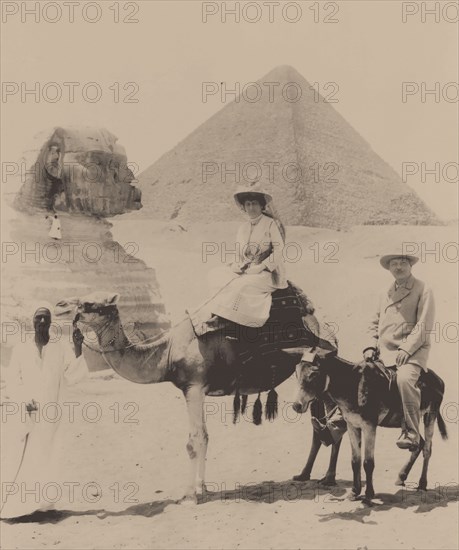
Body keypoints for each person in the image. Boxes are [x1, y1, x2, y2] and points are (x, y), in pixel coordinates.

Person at [0, 303, 87, 519]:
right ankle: (17, 508)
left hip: (51, 415)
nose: (41, 322)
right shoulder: (21, 348)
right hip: (26, 413)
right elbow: (12, 380)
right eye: (38, 318)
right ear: (32, 321)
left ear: (50, 323)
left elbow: (72, 375)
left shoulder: (59, 348)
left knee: (48, 456)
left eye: (45, 319)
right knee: (23, 456)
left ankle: (43, 506)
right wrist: (23, 399)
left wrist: (78, 348)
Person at [363, 251, 435, 450]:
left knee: (404, 380)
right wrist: (370, 345)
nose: (398, 267)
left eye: (403, 263)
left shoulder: (423, 289)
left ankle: (411, 432)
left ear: (411, 265)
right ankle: (337, 421)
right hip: (383, 352)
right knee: (356, 374)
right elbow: (374, 322)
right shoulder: (384, 292)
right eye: (394, 264)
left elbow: (424, 325)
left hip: (412, 351)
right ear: (389, 268)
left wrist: (407, 348)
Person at [206, 184, 287, 328]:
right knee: (215, 274)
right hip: (247, 270)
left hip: (268, 273)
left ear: (262, 205)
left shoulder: (271, 224)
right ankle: (218, 312)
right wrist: (236, 264)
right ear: (243, 207)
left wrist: (262, 266)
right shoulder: (242, 228)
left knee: (240, 285)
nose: (251, 208)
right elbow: (238, 253)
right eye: (247, 204)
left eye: (254, 203)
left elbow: (279, 249)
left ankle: (229, 320)